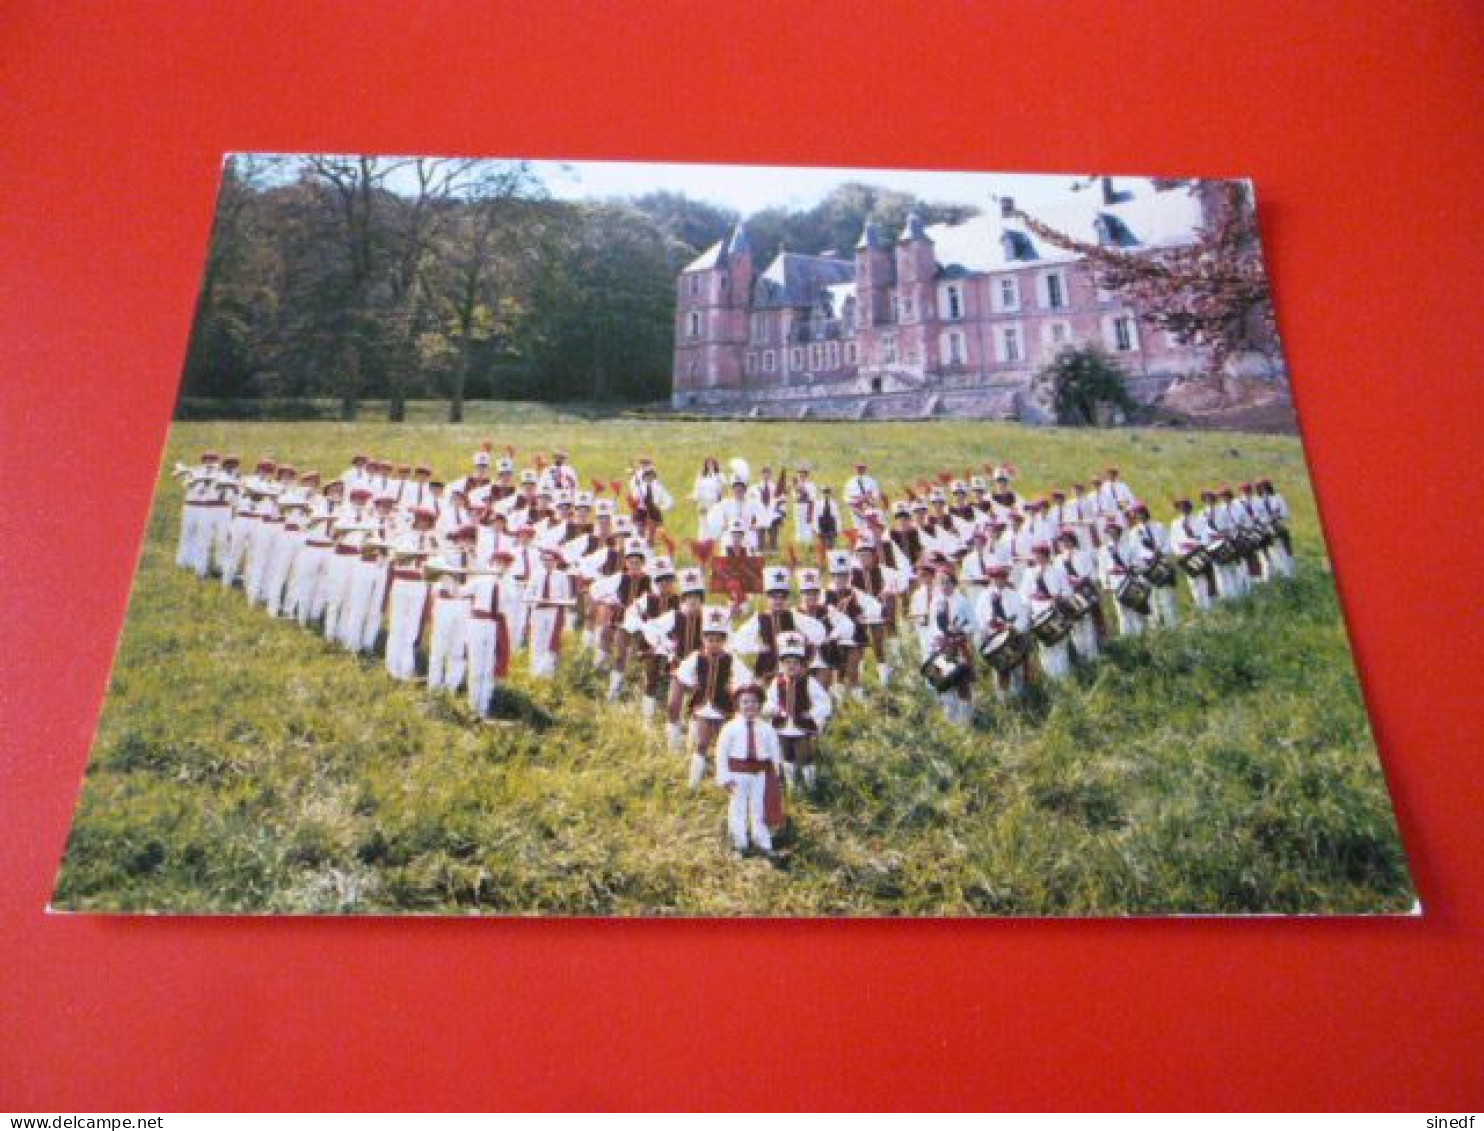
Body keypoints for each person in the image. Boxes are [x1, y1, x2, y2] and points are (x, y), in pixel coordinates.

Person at [672, 606, 753, 788]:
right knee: (701, 743)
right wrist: (693, 683)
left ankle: (723, 779)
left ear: (724, 641)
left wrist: (734, 689)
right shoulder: (696, 657)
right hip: (702, 706)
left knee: (723, 744)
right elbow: (682, 673)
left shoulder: (730, 659)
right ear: (703, 639)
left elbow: (746, 677)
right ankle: (693, 782)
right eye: (710, 640)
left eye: (718, 640)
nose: (713, 644)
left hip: (723, 707)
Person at [714, 684, 784, 857]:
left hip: (760, 773)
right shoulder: (730, 728)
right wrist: (724, 777)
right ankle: (740, 845)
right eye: (745, 702)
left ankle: (763, 843)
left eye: (754, 702)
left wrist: (776, 774)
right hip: (737, 774)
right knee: (738, 809)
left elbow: (775, 752)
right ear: (738, 705)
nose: (750, 706)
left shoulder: (767, 729)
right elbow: (721, 753)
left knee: (758, 808)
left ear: (760, 705)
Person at [764, 631, 832, 792]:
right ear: (781, 664)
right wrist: (772, 709)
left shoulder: (809, 682)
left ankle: (811, 786)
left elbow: (824, 702)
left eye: (795, 662)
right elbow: (769, 700)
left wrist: (813, 713)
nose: (791, 666)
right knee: (786, 755)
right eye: (787, 662)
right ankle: (792, 786)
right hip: (782, 725)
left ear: (803, 665)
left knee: (805, 756)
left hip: (802, 726)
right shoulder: (777, 682)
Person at [464, 550, 519, 720]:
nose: (500, 565)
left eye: (504, 563)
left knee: (489, 667)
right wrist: (446, 577)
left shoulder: (509, 583)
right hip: (478, 622)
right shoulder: (480, 579)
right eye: (497, 562)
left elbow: (513, 599)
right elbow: (460, 592)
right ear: (491, 562)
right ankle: (472, 706)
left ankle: (484, 707)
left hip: (495, 625)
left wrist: (503, 580)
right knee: (476, 665)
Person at [924, 563, 978, 725]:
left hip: (959, 647)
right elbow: (932, 626)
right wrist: (937, 637)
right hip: (941, 648)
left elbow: (974, 624)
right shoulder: (935, 602)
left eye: (948, 582)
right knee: (944, 683)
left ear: (954, 583)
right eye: (942, 582)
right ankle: (951, 720)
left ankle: (966, 721)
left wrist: (960, 629)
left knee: (962, 684)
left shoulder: (962, 601)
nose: (945, 586)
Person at [974, 564, 1031, 701]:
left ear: (1006, 579)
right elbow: (979, 619)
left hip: (1013, 635)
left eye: (1001, 578)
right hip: (994, 639)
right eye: (995, 579)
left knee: (1018, 667)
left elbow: (1022, 615)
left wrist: (1014, 627)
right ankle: (1003, 701)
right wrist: (987, 630)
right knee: (1001, 670)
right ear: (991, 579)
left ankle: (1022, 696)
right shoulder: (983, 596)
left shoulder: (1013, 595)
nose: (998, 582)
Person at [1019, 542, 1074, 682]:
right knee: (1044, 646)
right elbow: (1023, 595)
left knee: (1059, 643)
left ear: (1046, 555)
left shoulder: (1058, 571)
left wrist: (1059, 598)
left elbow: (1068, 591)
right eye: (1035, 554)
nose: (1037, 557)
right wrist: (1030, 610)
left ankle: (1064, 677)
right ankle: (1051, 678)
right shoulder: (1029, 572)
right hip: (1037, 612)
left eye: (1040, 554)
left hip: (1054, 610)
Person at [524, 544, 575, 679]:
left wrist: (556, 602)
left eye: (551, 560)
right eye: (545, 560)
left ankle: (548, 674)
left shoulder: (562, 576)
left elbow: (566, 598)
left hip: (554, 612)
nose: (547, 562)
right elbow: (527, 595)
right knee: (537, 641)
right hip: (539, 611)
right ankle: (535, 673)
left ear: (556, 561)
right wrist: (539, 599)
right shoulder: (536, 575)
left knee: (550, 642)